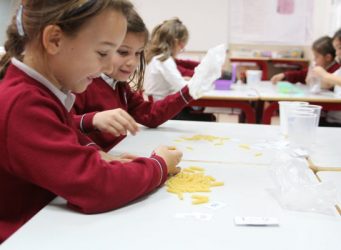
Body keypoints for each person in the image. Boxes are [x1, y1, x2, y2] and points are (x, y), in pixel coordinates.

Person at [0, 0, 182, 243]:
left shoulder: (39, 92)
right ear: (55, 40)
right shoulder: (24, 102)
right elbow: (95, 186)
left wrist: (97, 154)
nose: (108, 66)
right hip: (22, 237)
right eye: (102, 53)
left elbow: (68, 137)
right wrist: (159, 166)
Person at [73, 13, 226, 151]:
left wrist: (191, 89)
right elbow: (60, 126)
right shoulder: (82, 84)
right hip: (99, 166)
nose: (132, 62)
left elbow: (149, 115)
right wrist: (92, 120)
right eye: (123, 52)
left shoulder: (119, 85)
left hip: (115, 159)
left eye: (138, 53)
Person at [144, 18, 220, 121]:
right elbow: (184, 89)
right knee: (210, 118)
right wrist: (196, 81)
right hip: (164, 112)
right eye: (182, 46)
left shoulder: (157, 58)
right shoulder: (165, 60)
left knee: (198, 112)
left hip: (160, 107)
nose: (181, 50)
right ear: (176, 43)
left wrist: (185, 80)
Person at [271, 36, 340, 84]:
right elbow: (302, 74)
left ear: (328, 57)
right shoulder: (321, 67)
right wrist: (284, 75)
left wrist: (320, 77)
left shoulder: (336, 69)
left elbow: (329, 85)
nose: (314, 59)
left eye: (316, 57)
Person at [311, 29, 341, 126]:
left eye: (339, 48)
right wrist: (315, 77)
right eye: (336, 49)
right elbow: (327, 84)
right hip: (333, 118)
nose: (336, 53)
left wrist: (324, 75)